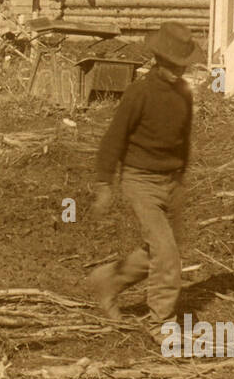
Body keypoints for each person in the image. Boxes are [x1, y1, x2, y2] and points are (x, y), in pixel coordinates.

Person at [85, 21, 200, 335]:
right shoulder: (139, 93)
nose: (178, 71)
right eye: (172, 64)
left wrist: (180, 177)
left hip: (171, 180)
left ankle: (108, 280)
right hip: (140, 181)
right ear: (159, 60)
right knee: (166, 253)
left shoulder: (185, 94)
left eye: (182, 65)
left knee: (163, 249)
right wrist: (104, 183)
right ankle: (161, 323)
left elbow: (183, 138)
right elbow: (114, 138)